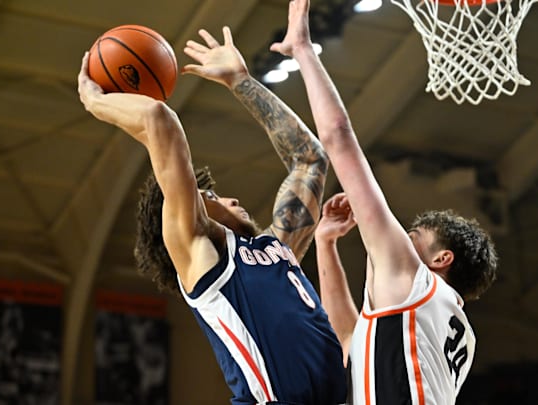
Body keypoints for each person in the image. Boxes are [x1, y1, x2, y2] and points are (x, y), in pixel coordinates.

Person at [78, 26, 347, 405]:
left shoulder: (278, 247)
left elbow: (310, 159)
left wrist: (241, 81)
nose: (230, 198)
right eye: (209, 195)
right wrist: (94, 101)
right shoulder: (202, 254)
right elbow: (158, 118)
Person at [270, 1, 498, 404]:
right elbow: (351, 341)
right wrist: (325, 244)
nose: (396, 239)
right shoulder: (456, 333)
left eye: (413, 235)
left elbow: (338, 137)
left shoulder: (415, 281)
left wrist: (303, 48)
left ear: (441, 258)